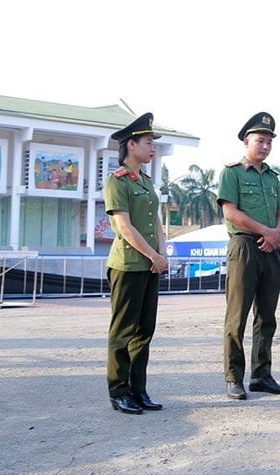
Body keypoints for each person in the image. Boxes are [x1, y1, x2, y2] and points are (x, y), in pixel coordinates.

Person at [218, 111, 280, 400]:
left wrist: (276, 235)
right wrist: (266, 231)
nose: (265, 146)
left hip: (271, 250)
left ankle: (262, 374)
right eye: (260, 140)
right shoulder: (232, 172)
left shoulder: (273, 178)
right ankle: (234, 377)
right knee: (237, 317)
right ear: (246, 141)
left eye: (269, 142)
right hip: (244, 248)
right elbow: (231, 212)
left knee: (267, 316)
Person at [104, 112, 169, 414]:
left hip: (150, 265)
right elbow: (125, 228)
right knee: (123, 331)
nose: (152, 147)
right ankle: (119, 391)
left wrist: (163, 254)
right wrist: (153, 255)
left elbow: (155, 220)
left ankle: (138, 388)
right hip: (128, 265)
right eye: (147, 142)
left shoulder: (144, 180)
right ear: (131, 145)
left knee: (145, 330)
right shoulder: (117, 181)